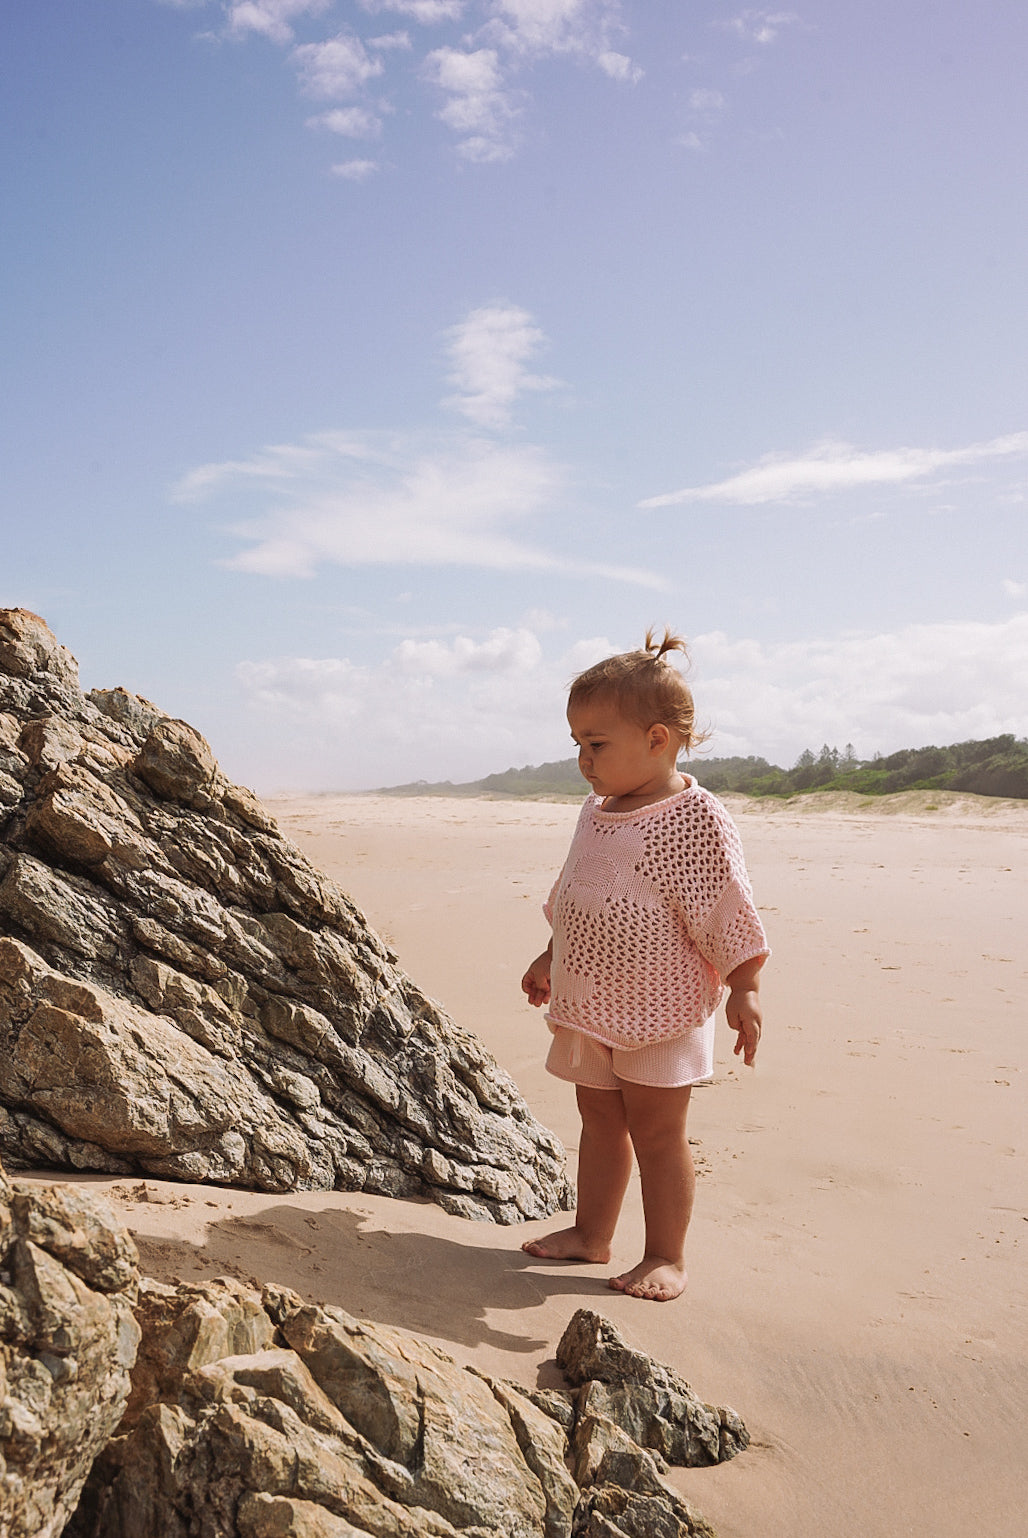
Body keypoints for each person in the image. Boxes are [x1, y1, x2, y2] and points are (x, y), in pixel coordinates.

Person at [520, 628, 768, 1301]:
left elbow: (724, 908)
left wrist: (745, 985)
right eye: (576, 744)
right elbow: (579, 891)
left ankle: (665, 1255)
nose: (583, 759)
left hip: (662, 1005)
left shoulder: (694, 819)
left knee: (658, 1134)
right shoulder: (596, 812)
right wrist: (551, 953)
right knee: (598, 1122)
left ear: (657, 740)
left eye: (595, 744)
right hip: (589, 997)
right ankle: (592, 1233)